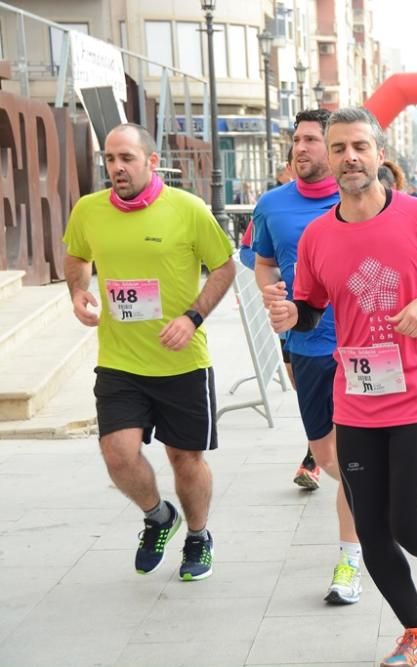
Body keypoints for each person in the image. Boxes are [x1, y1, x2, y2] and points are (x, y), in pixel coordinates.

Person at [265, 107, 417, 666]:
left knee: (414, 525)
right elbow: (314, 309)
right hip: (357, 401)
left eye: (359, 146)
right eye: (338, 148)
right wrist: (292, 314)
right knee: (371, 528)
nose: (349, 158)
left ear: (379, 153)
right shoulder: (317, 237)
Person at [63, 123, 236, 581]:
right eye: (110, 159)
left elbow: (223, 266)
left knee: (186, 460)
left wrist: (193, 317)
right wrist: (78, 291)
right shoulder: (89, 210)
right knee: (117, 453)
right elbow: (77, 255)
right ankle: (158, 516)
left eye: (126, 159)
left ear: (152, 162)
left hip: (182, 363)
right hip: (120, 360)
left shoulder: (188, 209)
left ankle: (198, 535)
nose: (116, 168)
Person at [252, 109, 365, 605]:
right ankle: (377, 497)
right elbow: (263, 261)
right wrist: (272, 296)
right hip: (307, 349)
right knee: (327, 457)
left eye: (314, 140)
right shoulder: (273, 206)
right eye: (297, 140)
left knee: (356, 464)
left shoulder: (361, 203)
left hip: (362, 349)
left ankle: (350, 560)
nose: (302, 148)